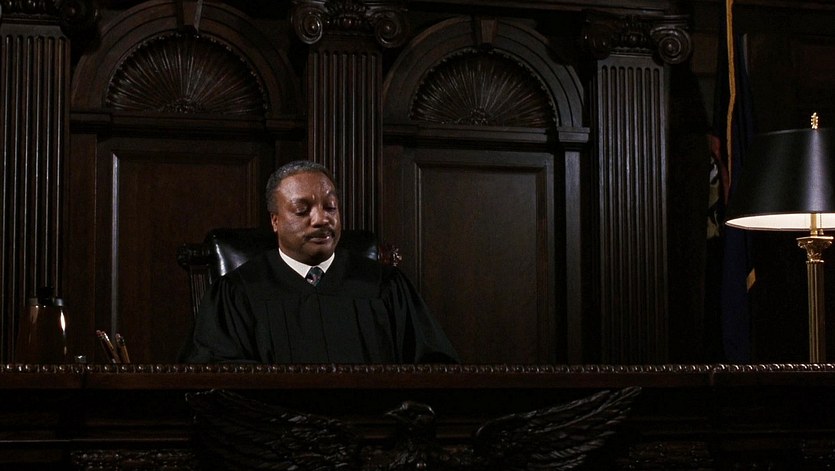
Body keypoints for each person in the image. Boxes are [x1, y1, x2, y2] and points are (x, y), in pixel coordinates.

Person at [180, 160, 459, 364]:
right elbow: (214, 376)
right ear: (275, 221)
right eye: (302, 210)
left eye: (330, 207)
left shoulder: (384, 285)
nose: (321, 219)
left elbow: (435, 365)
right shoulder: (237, 292)